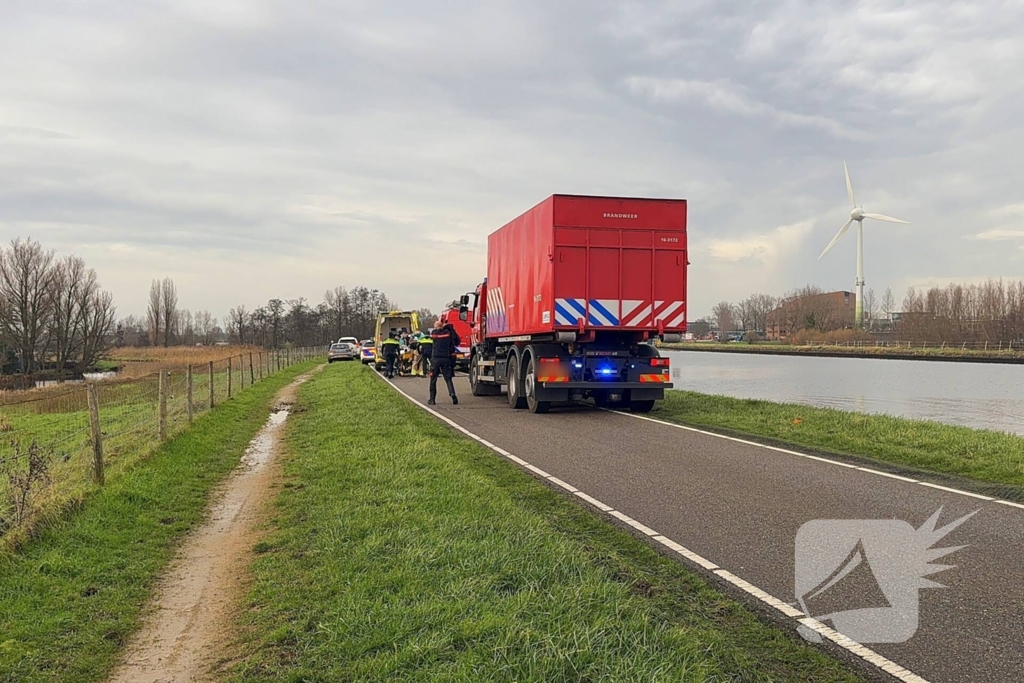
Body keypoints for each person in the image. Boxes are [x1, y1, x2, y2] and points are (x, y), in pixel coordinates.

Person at [428, 318, 460, 405]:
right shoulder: (448, 334)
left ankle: (432, 399)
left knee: (433, 380)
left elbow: (432, 337)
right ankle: (452, 394)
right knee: (448, 379)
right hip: (446, 358)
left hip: (436, 359)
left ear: (436, 327)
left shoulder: (434, 334)